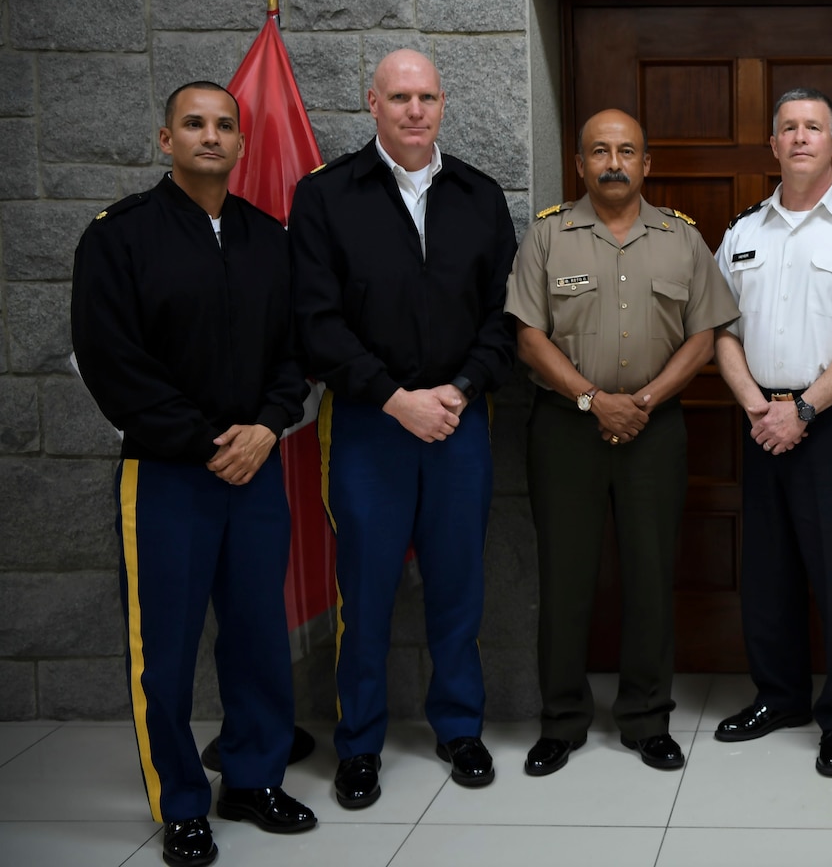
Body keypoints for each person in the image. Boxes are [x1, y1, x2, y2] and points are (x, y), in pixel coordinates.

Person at [72, 82, 317, 867]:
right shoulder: (118, 238)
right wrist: (209, 440)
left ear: (242, 142)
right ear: (164, 139)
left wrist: (268, 426)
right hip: (170, 474)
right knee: (166, 649)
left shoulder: (269, 238)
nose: (210, 136)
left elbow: (295, 354)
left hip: (257, 470)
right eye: (193, 124)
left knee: (256, 639)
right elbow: (113, 364)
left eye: (224, 125)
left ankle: (252, 778)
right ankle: (181, 802)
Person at [288, 49, 516, 806]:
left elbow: (503, 316)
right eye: (399, 98)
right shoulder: (325, 197)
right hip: (367, 428)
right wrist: (395, 398)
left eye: (426, 97)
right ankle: (359, 745)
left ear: (443, 103)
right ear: (372, 104)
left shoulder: (480, 197)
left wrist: (457, 388)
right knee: (369, 591)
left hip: (458, 421)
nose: (414, 111)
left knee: (458, 586)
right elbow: (315, 323)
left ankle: (458, 727)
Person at [505, 109, 739, 776]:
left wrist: (644, 401)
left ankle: (645, 717)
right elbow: (527, 336)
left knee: (650, 574)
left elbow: (704, 335)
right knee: (565, 578)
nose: (614, 162)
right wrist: (592, 398)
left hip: (654, 428)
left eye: (627, 150)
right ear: (579, 164)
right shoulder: (548, 237)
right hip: (565, 429)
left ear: (646, 163)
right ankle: (562, 721)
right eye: (600, 151)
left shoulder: (682, 240)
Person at [711, 87, 832, 777]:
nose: (799, 138)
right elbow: (720, 332)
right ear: (773, 145)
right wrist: (758, 406)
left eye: (812, 128)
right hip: (760, 416)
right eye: (787, 128)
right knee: (766, 569)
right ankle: (779, 697)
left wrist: (803, 408)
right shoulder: (742, 233)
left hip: (831, 418)